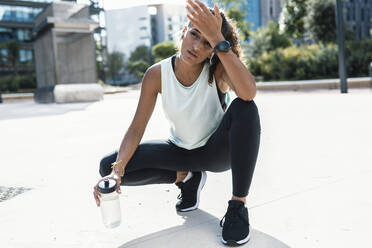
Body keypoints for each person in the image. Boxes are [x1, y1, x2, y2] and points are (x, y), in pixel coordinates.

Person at [93, 0, 261, 246]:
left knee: (245, 108)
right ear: (183, 32)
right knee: (108, 165)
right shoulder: (156, 74)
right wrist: (117, 172)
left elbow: (249, 93)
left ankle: (238, 207)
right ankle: (186, 178)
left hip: (215, 153)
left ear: (213, 49)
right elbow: (136, 128)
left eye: (206, 43)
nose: (196, 46)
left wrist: (218, 40)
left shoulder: (218, 71)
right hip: (179, 152)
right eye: (194, 34)